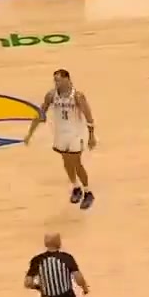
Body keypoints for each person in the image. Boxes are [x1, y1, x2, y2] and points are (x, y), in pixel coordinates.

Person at [25, 69, 97, 210]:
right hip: (60, 134)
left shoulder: (77, 96)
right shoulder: (51, 95)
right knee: (66, 162)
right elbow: (40, 114)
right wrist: (30, 133)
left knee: (76, 163)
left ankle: (88, 192)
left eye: (58, 80)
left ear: (67, 79)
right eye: (55, 80)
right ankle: (76, 187)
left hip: (76, 134)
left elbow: (89, 117)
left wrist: (91, 136)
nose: (56, 82)